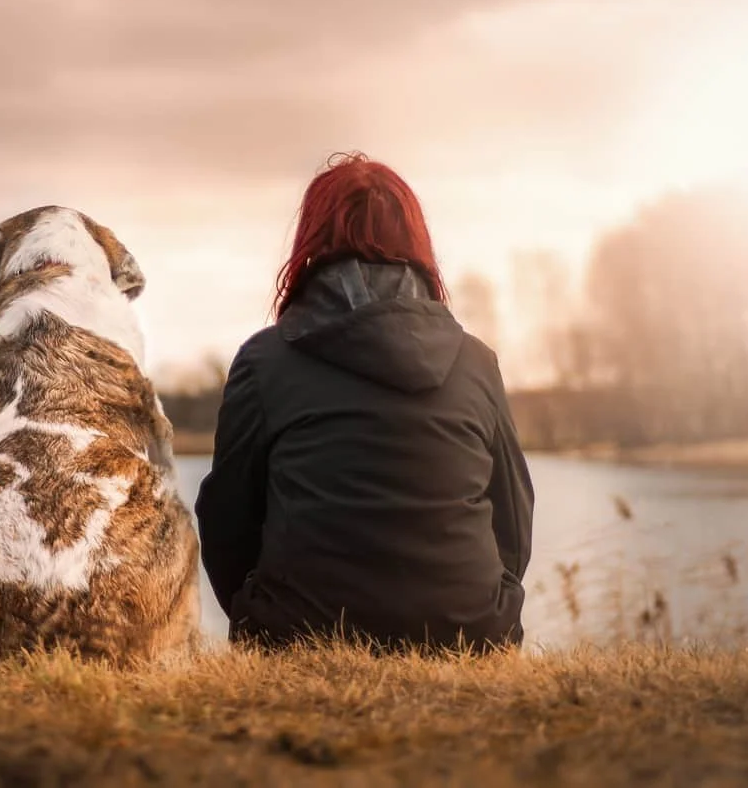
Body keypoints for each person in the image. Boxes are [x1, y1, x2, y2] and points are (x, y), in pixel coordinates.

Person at [193, 151, 535, 654]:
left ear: (311, 242)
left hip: (299, 636)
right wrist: (486, 607)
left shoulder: (264, 362)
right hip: (471, 634)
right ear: (417, 243)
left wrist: (257, 611)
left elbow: (226, 519)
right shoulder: (476, 362)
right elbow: (513, 518)